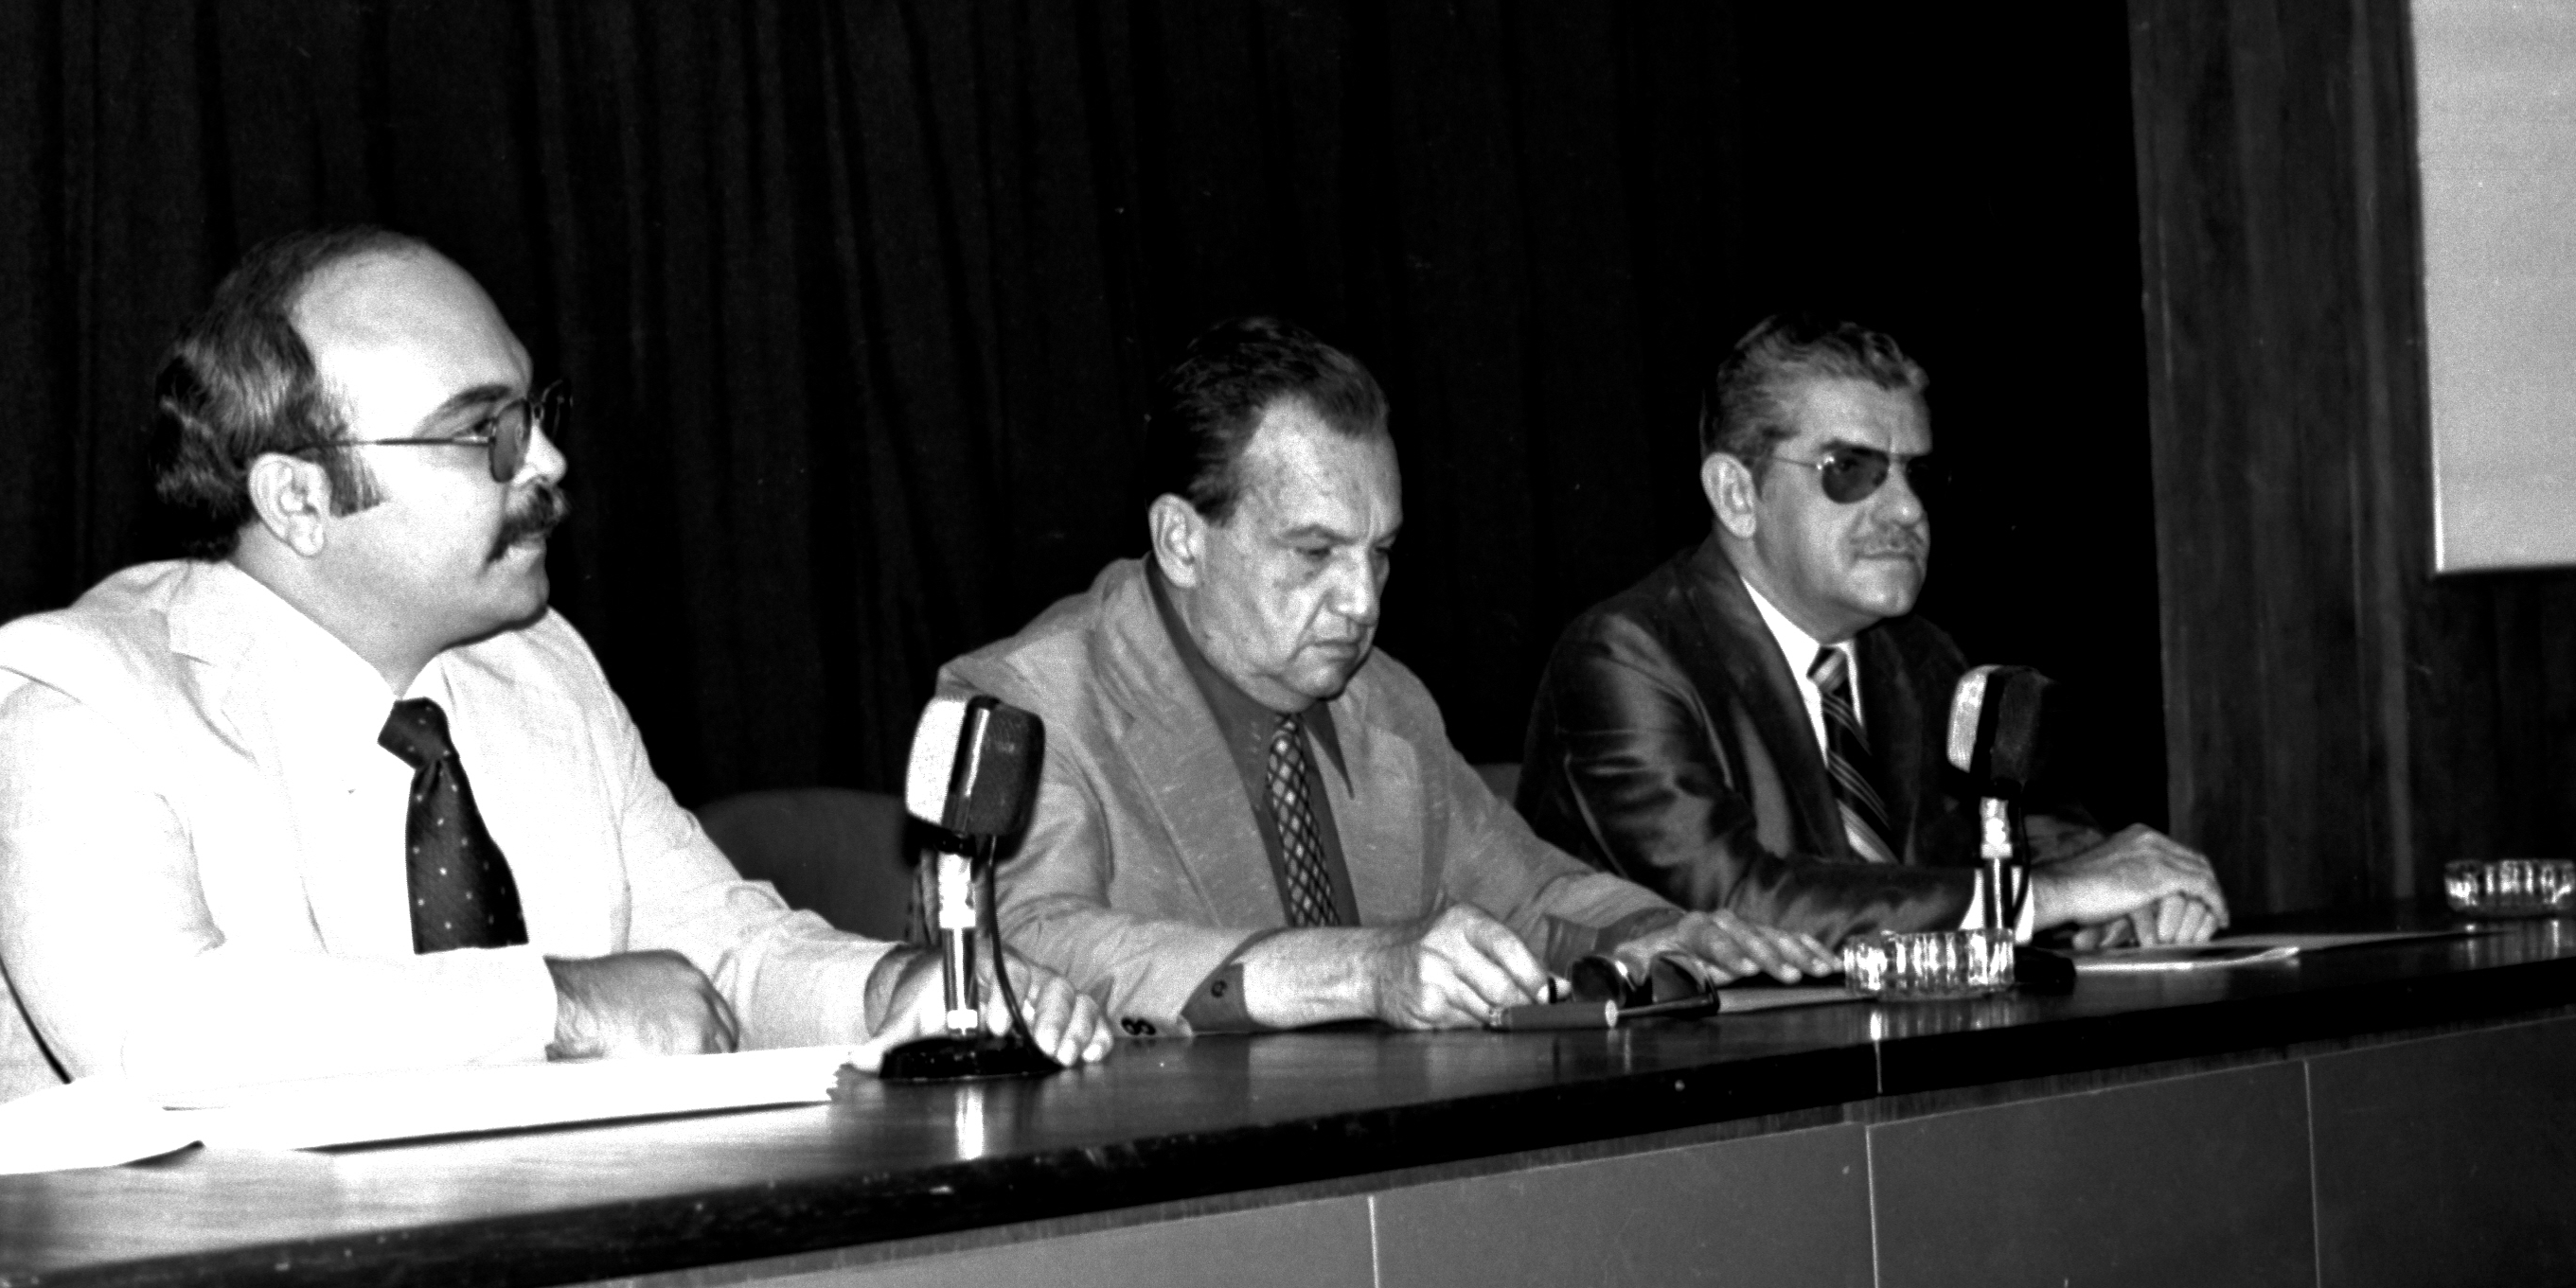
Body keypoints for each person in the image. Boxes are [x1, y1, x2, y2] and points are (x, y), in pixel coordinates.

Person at [0, 226, 1110, 1106]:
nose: (549, 461)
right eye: (487, 432)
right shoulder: (78, 696)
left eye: (536, 412)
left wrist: (897, 990)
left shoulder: (539, 667)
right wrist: (556, 1006)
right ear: (299, 498)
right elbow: (164, 1035)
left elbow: (720, 948)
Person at [937, 316, 1834, 1037]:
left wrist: (1664, 932)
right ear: (1182, 541)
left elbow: (1532, 893)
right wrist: (1360, 970)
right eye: (1315, 552)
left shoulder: (1386, 701)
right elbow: (1020, 941)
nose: (1363, 601)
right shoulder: (1027, 701)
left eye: (1381, 552)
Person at [1516, 312, 2225, 947]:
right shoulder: (1626, 657)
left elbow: (2030, 830)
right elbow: (1732, 907)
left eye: (1917, 474)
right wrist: (2040, 898)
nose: (1908, 509)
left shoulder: (1918, 653)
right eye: (1851, 470)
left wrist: (2126, 900)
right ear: (1737, 495)